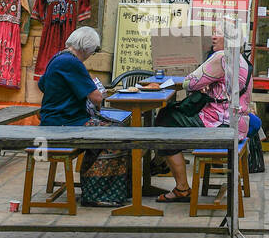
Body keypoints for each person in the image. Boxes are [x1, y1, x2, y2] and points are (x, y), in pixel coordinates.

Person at [153, 28, 253, 203]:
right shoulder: (241, 59)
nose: (213, 37)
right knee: (172, 117)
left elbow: (189, 82)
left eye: (219, 33)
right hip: (238, 125)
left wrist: (200, 83)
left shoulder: (222, 57)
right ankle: (179, 181)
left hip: (220, 125)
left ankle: (182, 188)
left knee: (165, 119)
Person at [36, 26, 130, 206]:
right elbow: (96, 97)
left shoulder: (57, 58)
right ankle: (99, 193)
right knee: (118, 134)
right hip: (64, 123)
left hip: (54, 120)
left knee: (112, 129)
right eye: (93, 51)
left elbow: (42, 85)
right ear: (87, 48)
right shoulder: (72, 63)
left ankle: (102, 188)